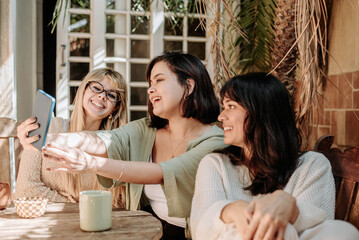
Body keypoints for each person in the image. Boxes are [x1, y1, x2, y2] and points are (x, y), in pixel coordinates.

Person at [41, 52, 227, 239]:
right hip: (150, 226)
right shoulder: (147, 129)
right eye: (150, 84)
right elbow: (105, 139)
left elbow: (163, 172)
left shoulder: (216, 141)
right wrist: (46, 138)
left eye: (159, 80)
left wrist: (91, 163)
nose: (150, 89)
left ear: (188, 86)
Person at [190, 72, 359, 240]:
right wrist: (231, 210)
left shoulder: (312, 165)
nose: (221, 116)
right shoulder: (214, 164)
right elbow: (200, 227)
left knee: (342, 231)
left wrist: (291, 208)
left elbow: (319, 221)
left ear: (260, 110)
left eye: (231, 106)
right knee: (242, 232)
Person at [14, 68, 128, 207]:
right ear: (83, 90)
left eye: (111, 95)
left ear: (115, 108)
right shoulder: (49, 127)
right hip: (46, 221)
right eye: (97, 88)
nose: (102, 96)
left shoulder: (115, 144)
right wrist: (80, 206)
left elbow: (118, 202)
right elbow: (25, 190)